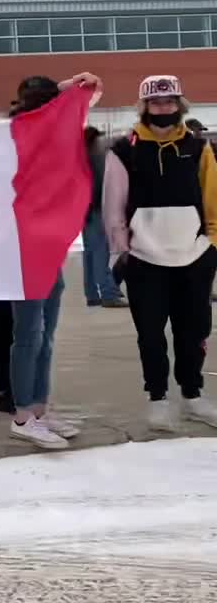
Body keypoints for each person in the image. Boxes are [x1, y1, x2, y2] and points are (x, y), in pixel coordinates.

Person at [103, 75, 217, 432]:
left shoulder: (198, 148)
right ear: (145, 106)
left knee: (194, 329)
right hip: (144, 259)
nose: (163, 108)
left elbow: (212, 198)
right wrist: (121, 252)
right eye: (156, 103)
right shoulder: (125, 150)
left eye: (169, 102)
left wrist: (212, 244)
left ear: (179, 105)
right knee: (150, 334)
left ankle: (192, 395)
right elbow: (113, 206)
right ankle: (157, 399)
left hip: (194, 256)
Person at [6, 73, 102, 450]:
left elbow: (91, 90)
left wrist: (69, 87)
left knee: (44, 335)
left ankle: (40, 410)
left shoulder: (56, 132)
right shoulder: (12, 136)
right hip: (22, 247)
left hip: (50, 246)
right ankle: (22, 416)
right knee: (28, 335)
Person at [82, 127, 128, 308]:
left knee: (90, 254)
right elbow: (102, 186)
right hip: (97, 209)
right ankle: (108, 294)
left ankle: (92, 294)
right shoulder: (96, 157)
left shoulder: (81, 157)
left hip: (85, 212)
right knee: (100, 253)